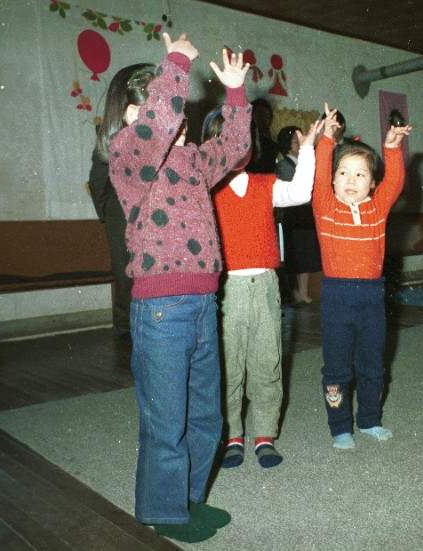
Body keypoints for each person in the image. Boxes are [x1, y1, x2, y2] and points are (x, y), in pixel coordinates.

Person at [100, 33, 252, 528]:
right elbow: (156, 125)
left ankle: (186, 498)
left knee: (206, 415)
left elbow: (235, 147)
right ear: (128, 117)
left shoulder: (190, 160)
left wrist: (234, 95)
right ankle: (163, 514)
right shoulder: (130, 157)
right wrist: (176, 64)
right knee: (166, 421)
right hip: (160, 310)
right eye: (168, 111)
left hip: (206, 302)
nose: (179, 120)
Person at [207, 112, 322, 469]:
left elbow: (301, 192)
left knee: (266, 360)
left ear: (252, 145)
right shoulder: (206, 191)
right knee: (228, 365)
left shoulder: (264, 184)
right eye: (223, 139)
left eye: (241, 138)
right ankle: (233, 434)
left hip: (266, 288)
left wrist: (306, 152)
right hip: (227, 288)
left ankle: (264, 433)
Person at [313, 104, 411, 449]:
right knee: (337, 368)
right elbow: (320, 173)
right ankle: (340, 425)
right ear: (332, 179)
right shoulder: (326, 207)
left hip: (372, 297)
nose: (350, 181)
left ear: (372, 183)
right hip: (337, 299)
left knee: (373, 364)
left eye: (359, 174)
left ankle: (370, 419)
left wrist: (392, 147)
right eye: (342, 173)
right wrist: (327, 139)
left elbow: (396, 179)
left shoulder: (376, 208)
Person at [88, 135, 132, 340]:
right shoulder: (110, 138)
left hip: (150, 211)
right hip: (119, 213)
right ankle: (125, 328)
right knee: (123, 271)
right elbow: (98, 180)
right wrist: (106, 211)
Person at [277, 125, 323, 304]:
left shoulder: (304, 161)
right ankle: (294, 293)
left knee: (307, 257)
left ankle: (303, 293)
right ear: (287, 146)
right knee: (294, 257)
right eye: (296, 142)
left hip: (307, 217)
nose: (299, 145)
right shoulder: (283, 166)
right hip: (293, 218)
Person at [247, 98, 279, 174]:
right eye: (260, 115)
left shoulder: (268, 140)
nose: (265, 120)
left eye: (268, 116)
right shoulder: (246, 138)